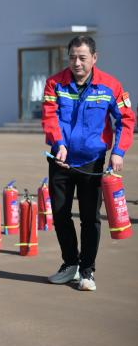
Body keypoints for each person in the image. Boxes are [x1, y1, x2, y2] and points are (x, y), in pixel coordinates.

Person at [42, 35, 134, 291]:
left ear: (94, 58)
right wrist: (58, 143)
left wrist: (118, 152)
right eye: (72, 57)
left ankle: (87, 271)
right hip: (60, 160)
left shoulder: (110, 86)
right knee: (60, 214)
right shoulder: (54, 84)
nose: (77, 63)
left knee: (90, 218)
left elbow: (126, 119)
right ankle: (70, 264)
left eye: (82, 58)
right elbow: (50, 117)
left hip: (92, 162)